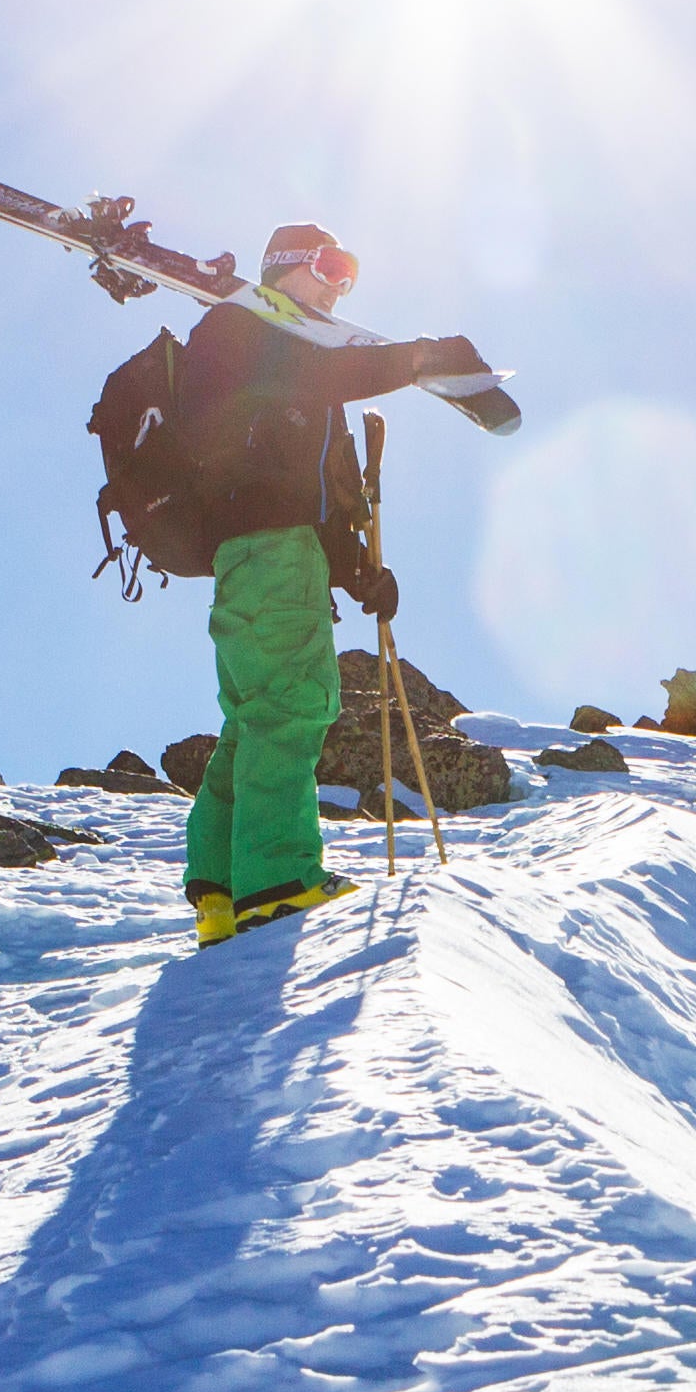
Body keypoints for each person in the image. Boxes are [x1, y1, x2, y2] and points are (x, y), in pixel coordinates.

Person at [164, 224, 497, 942]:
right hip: (270, 557)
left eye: (349, 276)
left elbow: (318, 494)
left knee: (254, 719)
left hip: (272, 556)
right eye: (329, 268)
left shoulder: (294, 368)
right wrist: (414, 359)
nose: (339, 287)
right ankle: (279, 881)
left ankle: (221, 892)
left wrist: (360, 575)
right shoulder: (240, 331)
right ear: (284, 268)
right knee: (291, 709)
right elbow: (300, 393)